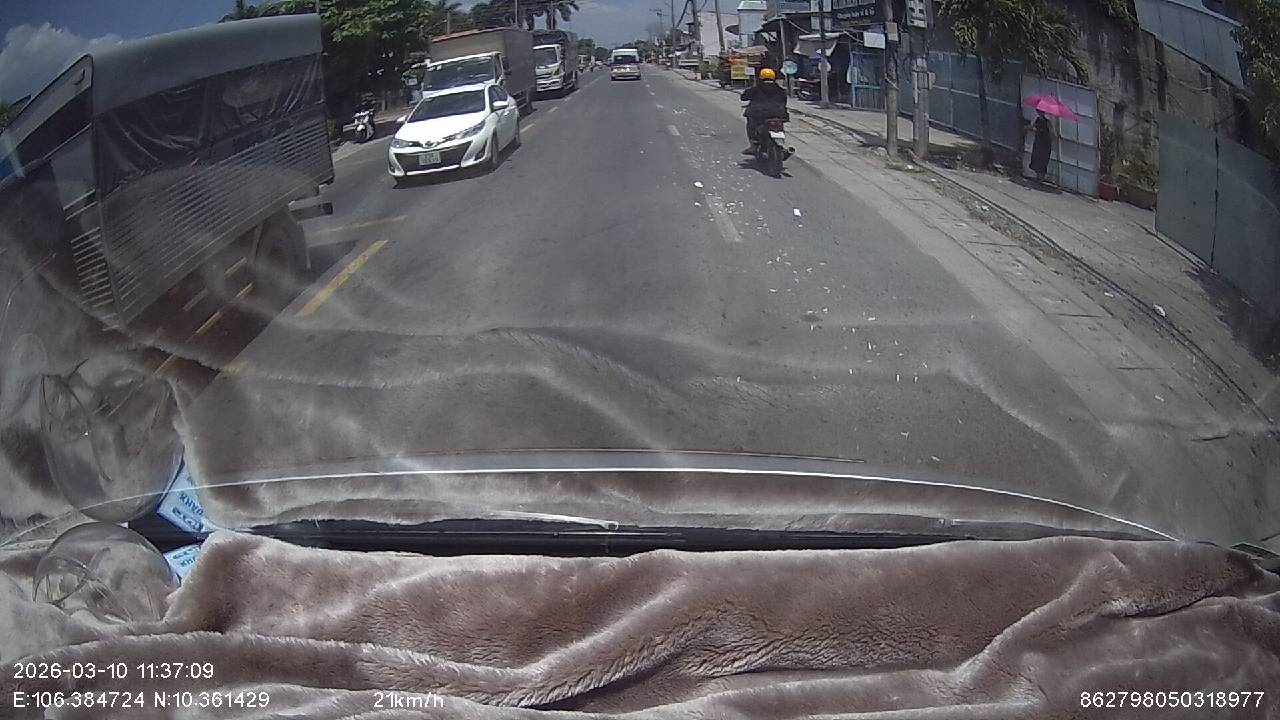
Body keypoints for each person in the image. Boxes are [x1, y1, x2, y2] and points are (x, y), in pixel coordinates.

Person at [741, 68, 788, 154]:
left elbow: (743, 97)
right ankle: (780, 145)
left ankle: (753, 145)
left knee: (751, 125)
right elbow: (784, 101)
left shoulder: (756, 88)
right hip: (779, 114)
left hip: (759, 114)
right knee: (779, 125)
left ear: (760, 77)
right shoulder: (781, 90)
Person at [1029, 110, 1055, 183]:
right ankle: (1038, 177)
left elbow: (1051, 132)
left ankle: (1041, 178)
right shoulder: (1037, 120)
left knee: (1043, 160)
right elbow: (1033, 127)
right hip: (1038, 142)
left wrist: (1051, 140)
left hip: (1045, 143)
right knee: (1036, 158)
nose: (1040, 113)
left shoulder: (1047, 122)